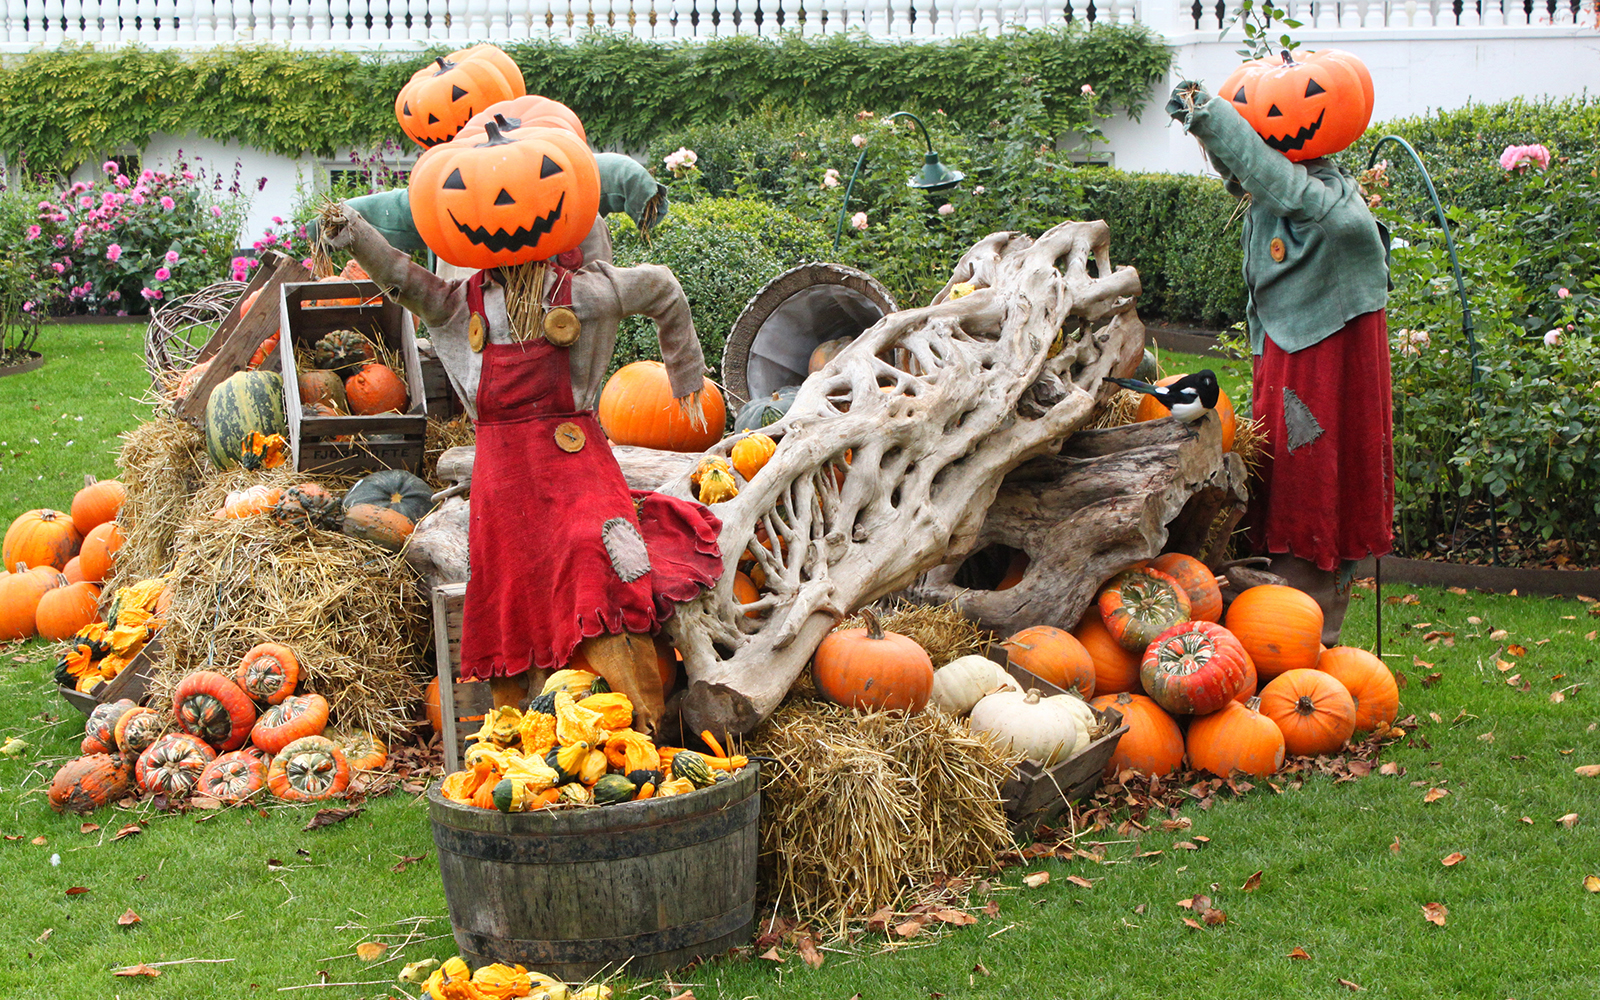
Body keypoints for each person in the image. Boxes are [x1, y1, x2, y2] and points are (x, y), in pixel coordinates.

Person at [1166, 74, 1393, 645]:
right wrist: (1206, 131)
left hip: (1327, 349)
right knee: (1285, 464)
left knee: (1315, 460)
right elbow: (1252, 178)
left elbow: (1277, 184)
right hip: (1289, 342)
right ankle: (1276, 599)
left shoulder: (1326, 204)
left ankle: (1308, 625)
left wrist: (1214, 117)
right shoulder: (1285, 190)